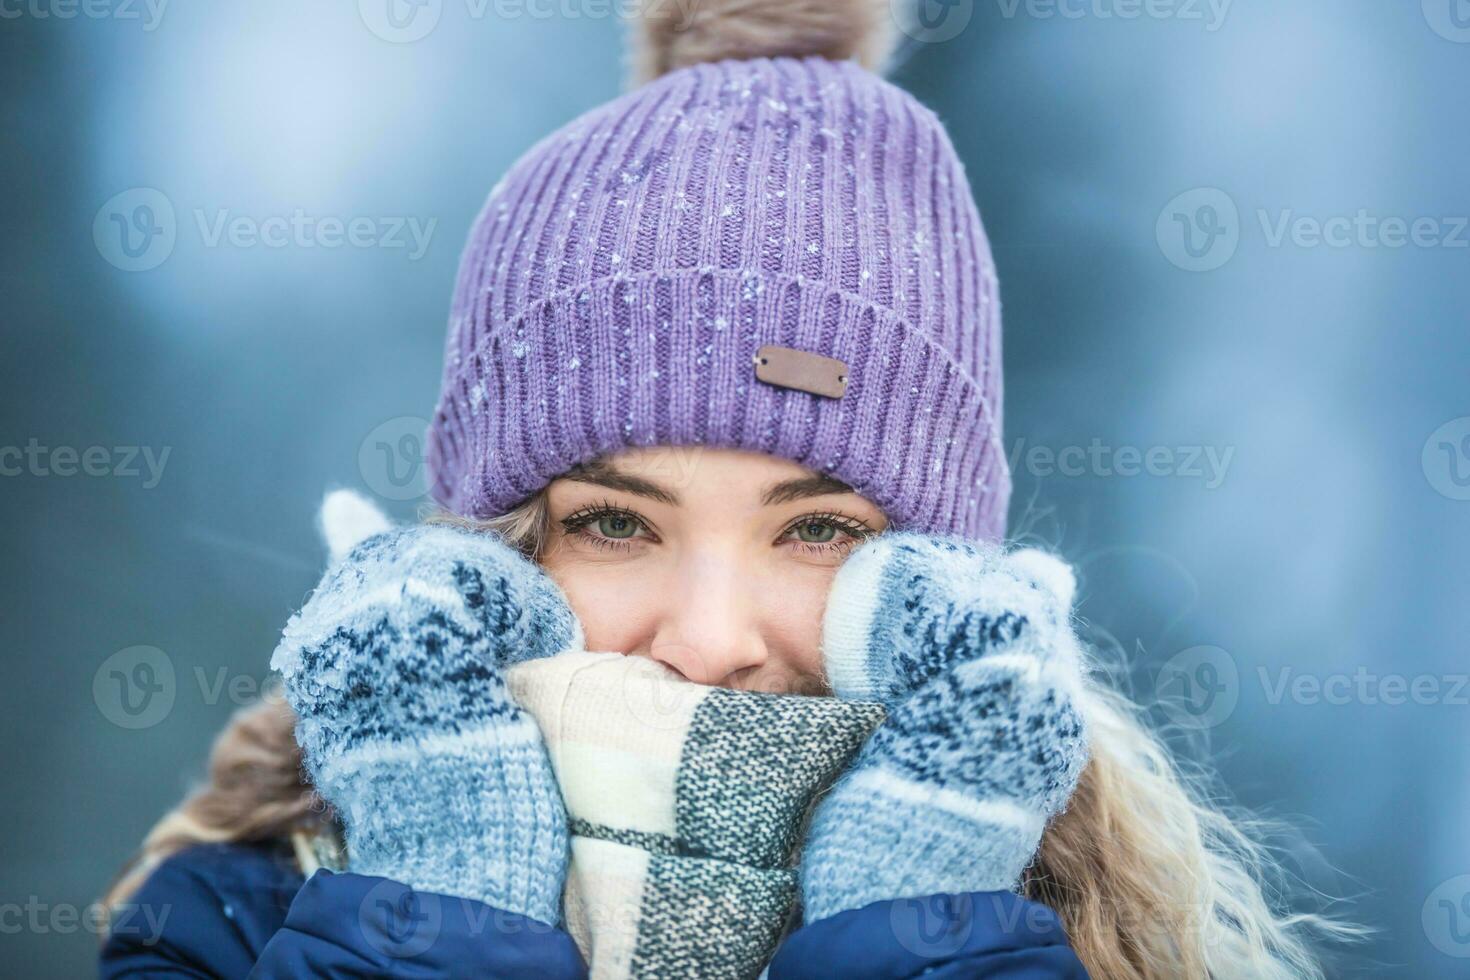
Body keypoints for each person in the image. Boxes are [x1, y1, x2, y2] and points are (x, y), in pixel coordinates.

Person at [99, 2, 1355, 976]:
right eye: (612, 522)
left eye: (818, 528)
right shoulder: (226, 930)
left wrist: (920, 920)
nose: (707, 640)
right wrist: (443, 901)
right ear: (483, 564)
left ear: (945, 597)